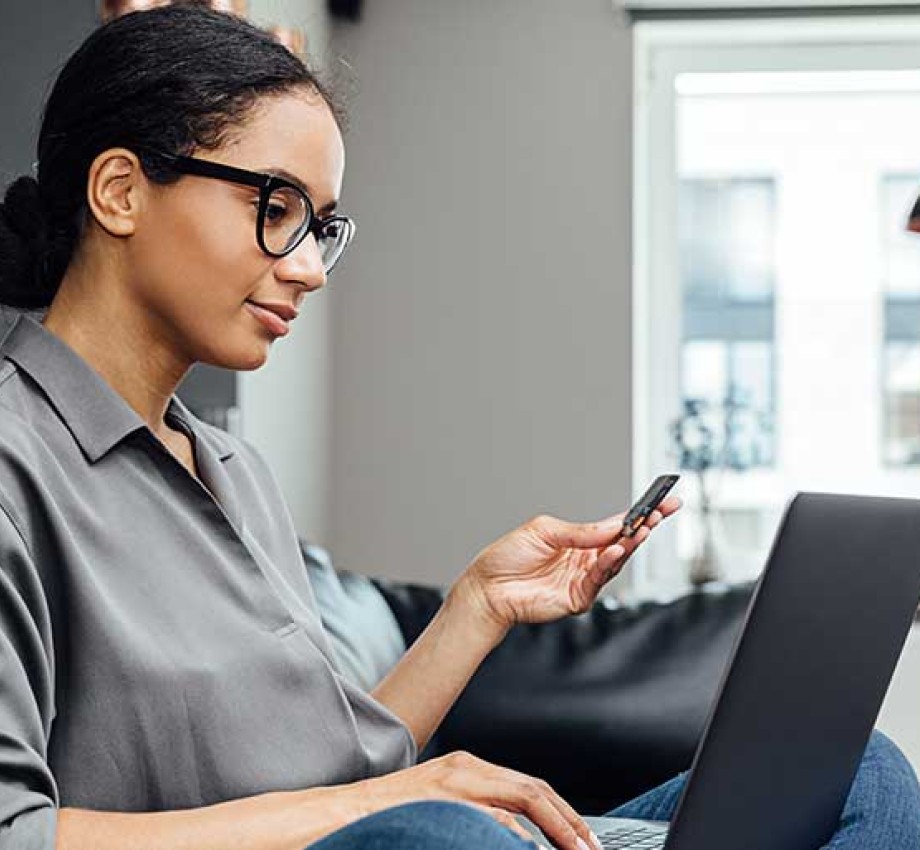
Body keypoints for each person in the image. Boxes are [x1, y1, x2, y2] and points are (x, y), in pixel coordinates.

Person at [0, 5, 914, 850]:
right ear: (120, 191)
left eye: (322, 228)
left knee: (860, 774)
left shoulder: (231, 467)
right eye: (276, 211)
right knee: (446, 833)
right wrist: (384, 805)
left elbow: (337, 769)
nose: (312, 269)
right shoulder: (17, 460)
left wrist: (477, 606)